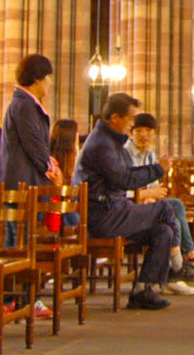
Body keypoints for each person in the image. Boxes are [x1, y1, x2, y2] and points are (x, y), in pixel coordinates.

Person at [72, 92, 179, 310]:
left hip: (113, 210)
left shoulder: (110, 142)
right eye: (130, 119)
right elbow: (124, 179)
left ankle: (142, 289)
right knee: (165, 209)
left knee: (163, 232)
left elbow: (126, 173)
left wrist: (155, 168)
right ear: (115, 118)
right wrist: (158, 170)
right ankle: (179, 263)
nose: (132, 124)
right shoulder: (102, 144)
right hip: (103, 216)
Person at [125, 112, 194, 277]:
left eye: (148, 131)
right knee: (172, 219)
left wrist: (151, 196)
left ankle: (187, 259)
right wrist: (146, 194)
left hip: (144, 205)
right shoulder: (125, 155)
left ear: (154, 134)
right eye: (139, 130)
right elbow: (123, 190)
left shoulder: (150, 155)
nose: (144, 135)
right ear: (131, 133)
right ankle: (182, 264)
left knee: (175, 205)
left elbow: (155, 187)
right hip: (129, 208)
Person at [0, 53, 62, 191]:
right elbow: (33, 143)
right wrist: (50, 168)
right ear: (37, 80)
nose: (50, 82)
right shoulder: (25, 106)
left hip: (25, 182)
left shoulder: (25, 103)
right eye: (47, 77)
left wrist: (48, 161)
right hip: (21, 186)